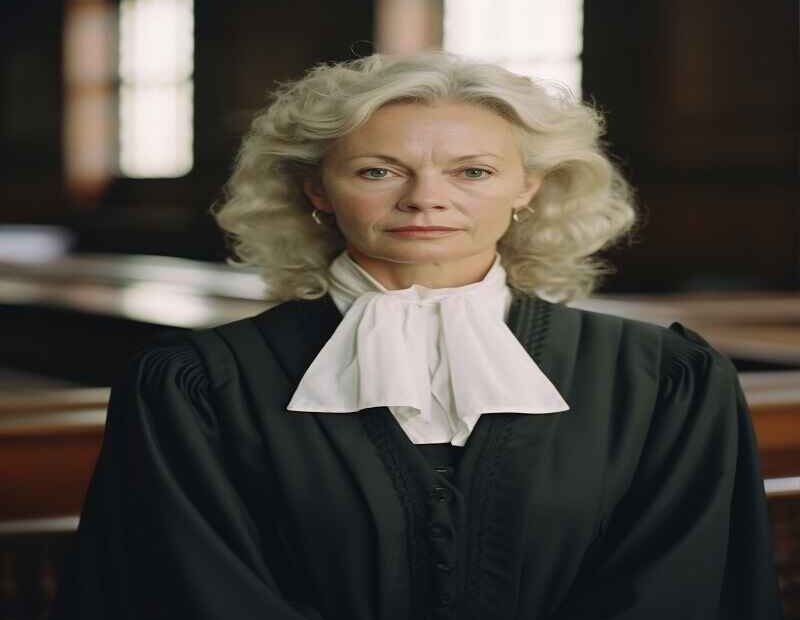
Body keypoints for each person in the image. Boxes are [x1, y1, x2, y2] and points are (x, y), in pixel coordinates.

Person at [49, 50, 784, 619]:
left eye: (472, 171)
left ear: (528, 186)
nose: (426, 198)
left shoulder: (664, 381)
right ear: (315, 188)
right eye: (377, 170)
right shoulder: (197, 385)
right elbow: (184, 593)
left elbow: (683, 590)